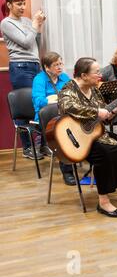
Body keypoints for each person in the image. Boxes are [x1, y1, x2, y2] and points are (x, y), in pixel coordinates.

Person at [58, 57, 117, 218]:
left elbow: (105, 117)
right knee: (104, 155)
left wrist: (116, 108)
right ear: (84, 75)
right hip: (77, 139)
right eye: (96, 72)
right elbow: (69, 107)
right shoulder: (68, 89)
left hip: (96, 132)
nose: (100, 75)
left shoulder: (94, 89)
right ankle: (103, 201)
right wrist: (96, 112)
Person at [1, 0, 46, 159]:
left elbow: (36, 43)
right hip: (21, 67)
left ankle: (41, 145)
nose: (22, 7)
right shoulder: (6, 23)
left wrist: (38, 26)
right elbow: (26, 43)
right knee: (25, 108)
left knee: (40, 105)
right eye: (19, 4)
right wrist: (34, 24)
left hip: (35, 65)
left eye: (24, 3)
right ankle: (28, 148)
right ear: (9, 5)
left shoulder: (27, 21)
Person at [31, 51, 76, 185]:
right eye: (56, 65)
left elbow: (74, 94)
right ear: (47, 67)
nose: (60, 67)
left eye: (61, 63)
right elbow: (38, 101)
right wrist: (54, 100)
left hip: (64, 116)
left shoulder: (64, 77)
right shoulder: (39, 79)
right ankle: (67, 171)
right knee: (62, 136)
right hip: (45, 119)